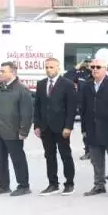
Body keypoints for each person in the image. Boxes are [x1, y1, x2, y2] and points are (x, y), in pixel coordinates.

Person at [80, 56, 108, 197]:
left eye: (98, 67)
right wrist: (84, 129)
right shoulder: (86, 85)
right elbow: (83, 109)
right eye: (92, 67)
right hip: (93, 129)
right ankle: (99, 185)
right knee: (96, 161)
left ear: (105, 69)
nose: (94, 70)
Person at [0, 61, 34, 197]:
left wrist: (24, 131)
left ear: (12, 72)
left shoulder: (22, 90)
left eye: (3, 71)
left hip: (13, 132)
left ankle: (24, 186)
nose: (0, 73)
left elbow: (27, 113)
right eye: (0, 71)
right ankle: (3, 185)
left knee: (17, 159)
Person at [33, 56, 77, 195]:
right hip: (46, 127)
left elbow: (71, 108)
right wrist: (37, 125)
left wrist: (68, 126)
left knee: (65, 155)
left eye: (51, 67)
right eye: (46, 67)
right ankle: (53, 184)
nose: (48, 69)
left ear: (58, 68)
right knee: (49, 156)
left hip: (61, 127)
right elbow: (38, 106)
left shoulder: (67, 84)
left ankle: (69, 183)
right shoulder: (41, 84)